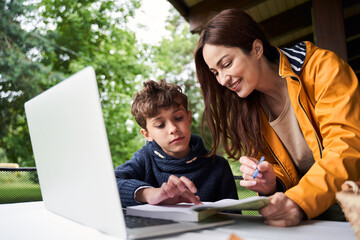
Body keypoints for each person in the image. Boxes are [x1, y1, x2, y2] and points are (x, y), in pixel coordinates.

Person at [194, 8, 360, 227]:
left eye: (226, 64)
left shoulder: (322, 69)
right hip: (315, 212)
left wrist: (298, 201)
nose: (223, 79)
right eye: (215, 72)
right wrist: (271, 181)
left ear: (256, 49)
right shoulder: (248, 107)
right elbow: (281, 170)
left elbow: (345, 147)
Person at [114, 79, 238, 208]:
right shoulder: (144, 160)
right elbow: (109, 185)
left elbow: (234, 218)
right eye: (160, 125)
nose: (173, 129)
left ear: (189, 118)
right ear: (147, 134)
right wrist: (150, 194)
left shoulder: (218, 166)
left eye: (178, 118)